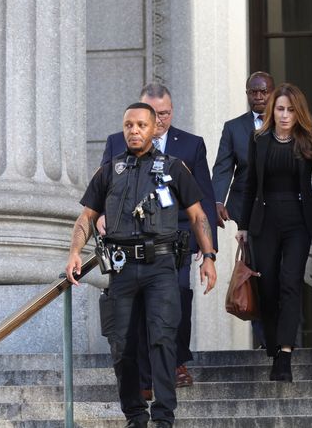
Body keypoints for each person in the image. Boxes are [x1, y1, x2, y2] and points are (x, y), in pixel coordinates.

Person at [65, 102, 217, 427]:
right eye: (129, 125)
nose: (134, 131)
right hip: (120, 269)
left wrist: (209, 256)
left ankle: (163, 417)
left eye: (141, 125)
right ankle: (135, 415)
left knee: (162, 339)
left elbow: (197, 215)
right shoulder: (109, 169)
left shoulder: (174, 167)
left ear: (154, 129)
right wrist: (75, 252)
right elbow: (87, 217)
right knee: (121, 344)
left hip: (160, 266)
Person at [101, 83, 218, 392]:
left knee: (178, 295)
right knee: (135, 308)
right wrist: (101, 215)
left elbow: (203, 200)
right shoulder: (116, 143)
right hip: (128, 242)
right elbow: (103, 189)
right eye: (151, 113)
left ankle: (176, 361)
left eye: (163, 113)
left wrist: (209, 252)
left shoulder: (191, 145)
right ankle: (142, 374)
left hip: (176, 238)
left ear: (171, 112)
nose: (158, 120)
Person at [236, 83, 312, 382]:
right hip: (264, 222)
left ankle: (285, 356)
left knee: (290, 283)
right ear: (272, 111)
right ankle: (274, 342)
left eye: (291, 109)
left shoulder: (311, 139)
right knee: (268, 287)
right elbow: (250, 183)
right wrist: (242, 224)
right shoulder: (259, 139)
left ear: (298, 111)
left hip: (298, 223)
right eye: (280, 108)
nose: (285, 114)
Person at [211, 71, 275, 349]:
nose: (258, 97)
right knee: (255, 275)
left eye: (263, 92)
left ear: (272, 93)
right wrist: (216, 200)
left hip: (284, 209)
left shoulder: (286, 121)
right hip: (248, 212)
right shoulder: (234, 127)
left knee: (285, 275)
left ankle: (287, 338)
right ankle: (265, 340)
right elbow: (223, 167)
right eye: (253, 92)